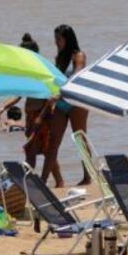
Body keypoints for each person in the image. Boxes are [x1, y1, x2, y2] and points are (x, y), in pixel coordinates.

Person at [0, 34, 50, 172]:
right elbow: (19, 94)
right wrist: (3, 107)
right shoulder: (28, 72)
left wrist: (40, 117)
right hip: (30, 117)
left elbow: (50, 97)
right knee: (40, 151)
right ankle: (55, 181)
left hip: (39, 117)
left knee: (35, 151)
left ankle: (30, 179)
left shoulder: (41, 71)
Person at [44, 24, 90, 187]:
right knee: (53, 141)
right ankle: (43, 180)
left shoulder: (79, 56)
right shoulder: (59, 58)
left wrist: (60, 93)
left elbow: (77, 75)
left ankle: (88, 176)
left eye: (59, 39)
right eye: (55, 39)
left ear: (68, 39)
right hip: (61, 103)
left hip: (76, 102)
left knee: (80, 140)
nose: (56, 42)